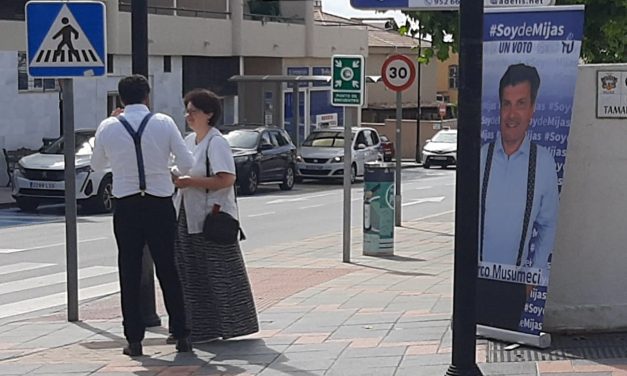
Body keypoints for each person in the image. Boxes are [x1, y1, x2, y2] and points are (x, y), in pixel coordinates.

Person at [91, 75, 194, 356]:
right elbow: (187, 162)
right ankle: (181, 333)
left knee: (129, 269)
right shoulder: (163, 123)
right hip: (160, 203)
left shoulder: (109, 126)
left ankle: (134, 340)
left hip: (126, 204)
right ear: (147, 97)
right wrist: (166, 168)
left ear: (121, 100)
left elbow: (97, 164)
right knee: (168, 268)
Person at [171, 88, 258, 343]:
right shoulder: (189, 142)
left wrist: (191, 182)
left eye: (193, 111)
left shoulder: (216, 142)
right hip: (186, 214)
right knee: (191, 273)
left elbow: (227, 179)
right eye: (187, 111)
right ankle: (198, 327)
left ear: (209, 114)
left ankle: (233, 325)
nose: (189, 116)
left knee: (219, 273)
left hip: (212, 216)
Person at [477, 63, 559, 331]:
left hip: (514, 284)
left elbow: (549, 224)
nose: (512, 114)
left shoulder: (543, 162)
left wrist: (533, 276)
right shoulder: (481, 157)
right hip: (474, 277)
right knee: (471, 344)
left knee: (505, 353)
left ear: (532, 109)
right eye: (506, 103)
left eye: (521, 103)